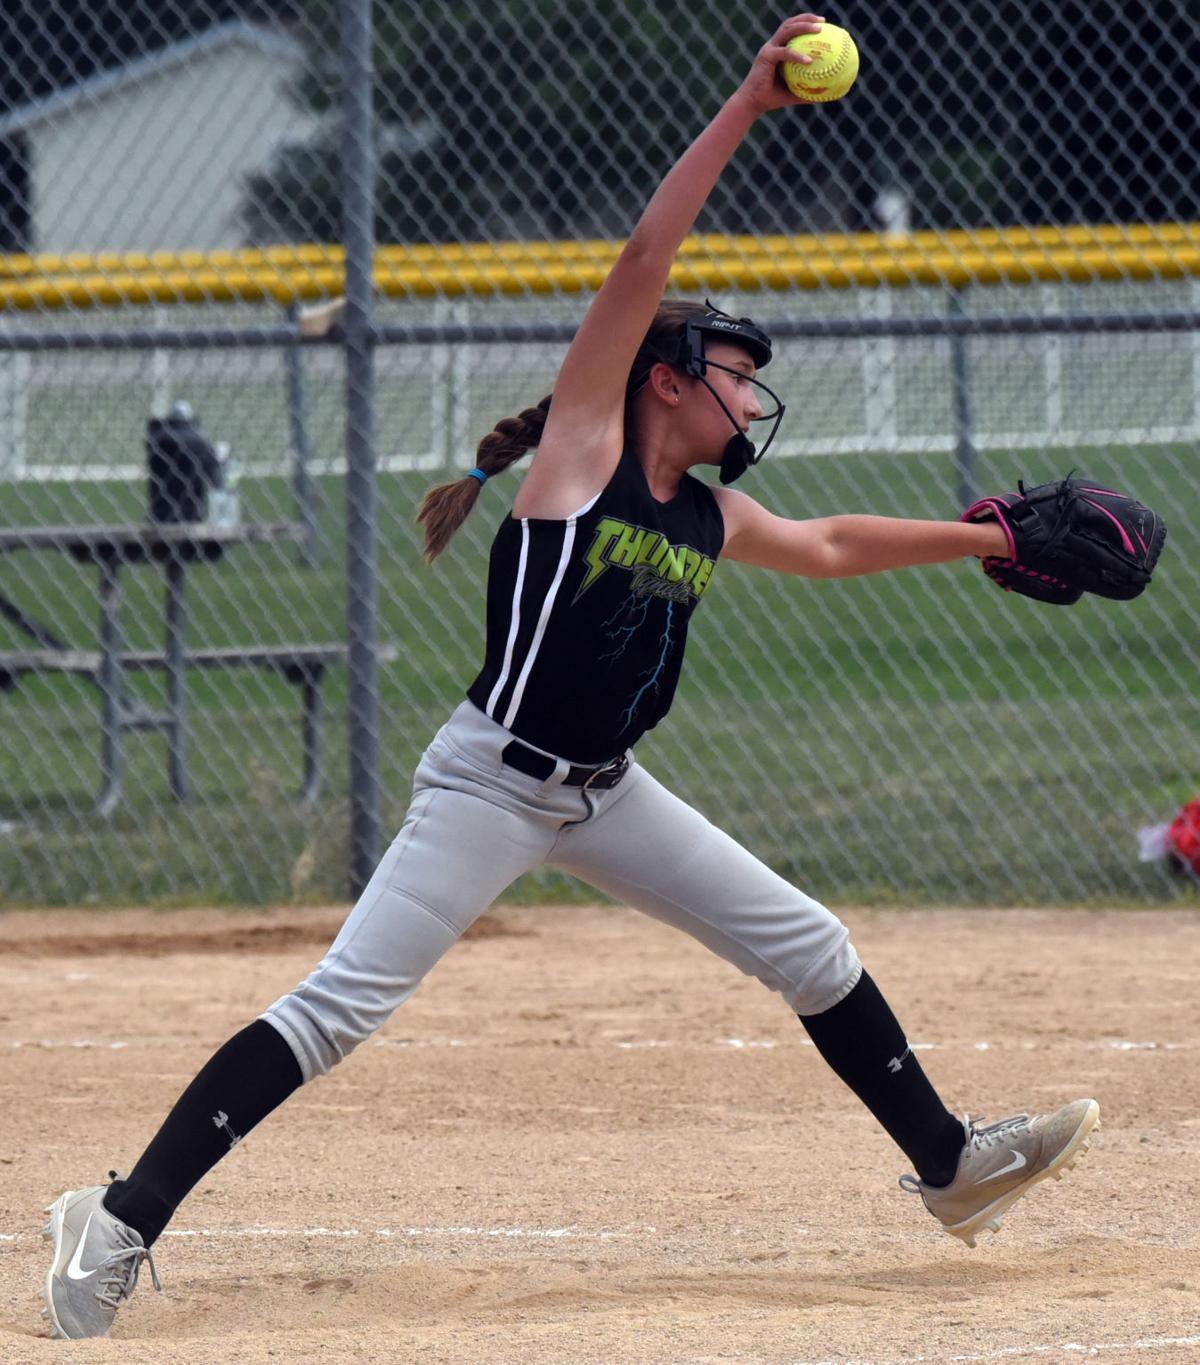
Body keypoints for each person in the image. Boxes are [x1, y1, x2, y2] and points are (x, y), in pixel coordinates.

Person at [40, 15, 1099, 1340]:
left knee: (811, 947)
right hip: (489, 781)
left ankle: (951, 1169)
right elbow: (646, 258)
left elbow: (829, 545)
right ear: (666, 378)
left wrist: (987, 535)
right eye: (736, 378)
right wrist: (744, 107)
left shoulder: (706, 514)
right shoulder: (585, 455)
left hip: (606, 793)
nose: (751, 404)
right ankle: (118, 1216)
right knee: (334, 1010)